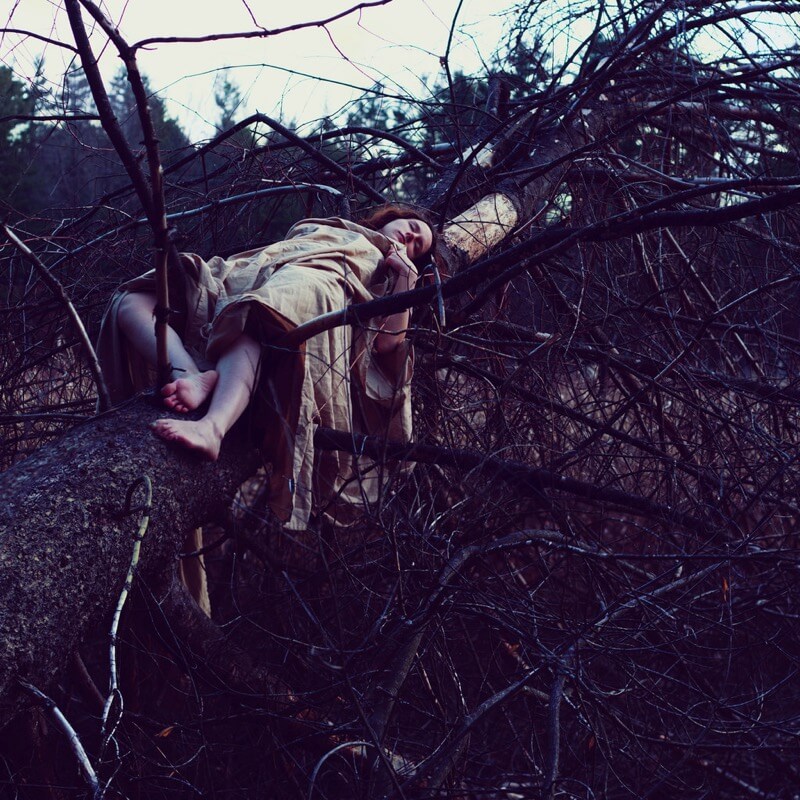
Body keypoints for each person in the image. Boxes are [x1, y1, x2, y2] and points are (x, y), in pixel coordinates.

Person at [97, 204, 435, 530]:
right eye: (413, 228)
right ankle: (191, 375)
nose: (411, 238)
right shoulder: (335, 228)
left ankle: (212, 428)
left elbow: (387, 345)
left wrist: (406, 277)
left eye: (418, 246)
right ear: (396, 216)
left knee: (257, 318)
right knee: (132, 300)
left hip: (302, 290)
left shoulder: (388, 270)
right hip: (244, 277)